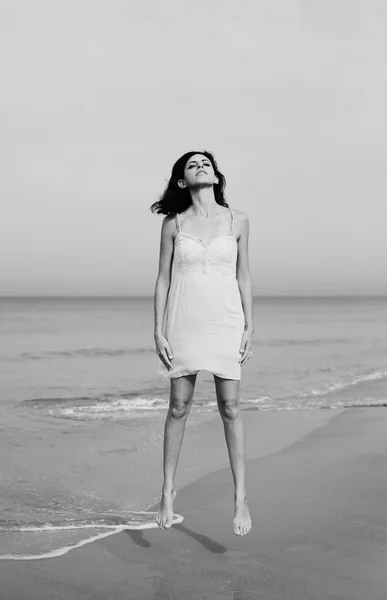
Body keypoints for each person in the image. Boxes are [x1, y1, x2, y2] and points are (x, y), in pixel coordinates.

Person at [150, 150, 254, 536]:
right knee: (179, 406)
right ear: (182, 181)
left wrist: (249, 325)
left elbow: (244, 276)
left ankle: (240, 495)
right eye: (192, 164)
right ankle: (167, 492)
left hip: (226, 320)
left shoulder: (237, 219)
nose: (201, 166)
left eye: (206, 163)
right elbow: (162, 280)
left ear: (215, 175)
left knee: (231, 407)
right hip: (185, 320)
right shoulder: (173, 223)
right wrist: (158, 330)